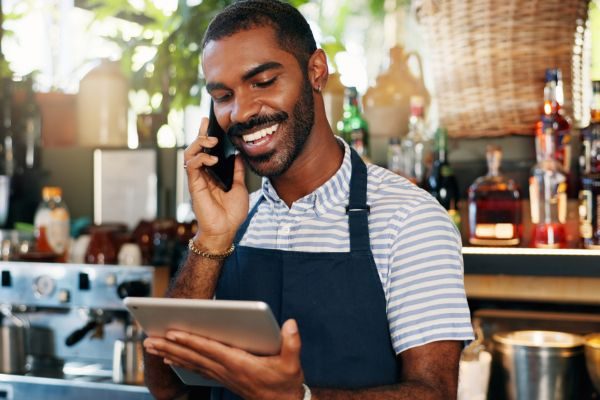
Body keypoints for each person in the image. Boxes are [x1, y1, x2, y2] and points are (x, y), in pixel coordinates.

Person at [143, 1, 474, 399]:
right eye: (224, 95)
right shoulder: (231, 224)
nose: (242, 111)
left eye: (263, 82)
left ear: (316, 70)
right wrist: (211, 239)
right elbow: (167, 388)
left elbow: (434, 393)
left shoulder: (409, 219)